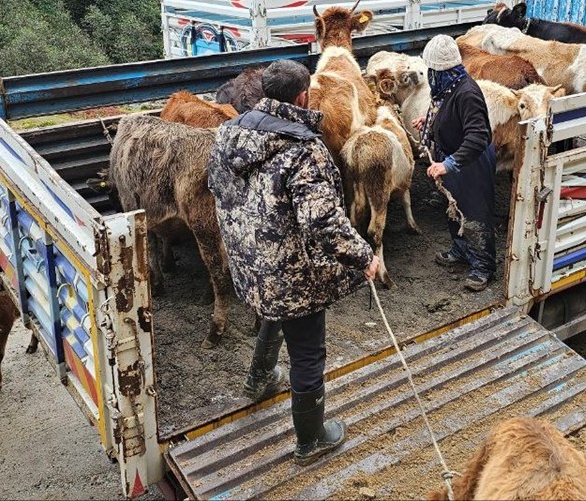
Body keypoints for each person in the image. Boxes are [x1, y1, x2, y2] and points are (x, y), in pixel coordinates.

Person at [207, 59, 381, 466]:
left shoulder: (229, 131)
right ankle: (311, 440)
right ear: (303, 96)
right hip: (291, 270)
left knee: (275, 307)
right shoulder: (305, 149)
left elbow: (217, 186)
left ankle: (260, 379)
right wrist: (364, 256)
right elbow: (321, 220)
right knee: (307, 352)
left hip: (250, 262)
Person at [414, 35, 499, 292]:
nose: (429, 74)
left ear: (440, 70)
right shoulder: (448, 87)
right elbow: (442, 111)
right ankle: (461, 251)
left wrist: (448, 164)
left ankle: (483, 267)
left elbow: (478, 136)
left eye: (431, 69)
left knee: (475, 212)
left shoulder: (467, 93)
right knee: (453, 207)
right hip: (453, 158)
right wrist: (428, 122)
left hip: (470, 161)